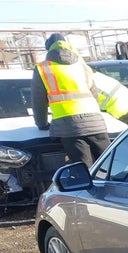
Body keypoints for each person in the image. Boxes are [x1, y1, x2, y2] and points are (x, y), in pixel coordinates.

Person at [32, 34, 109, 167]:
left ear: (49, 49)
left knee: (85, 170)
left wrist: (42, 124)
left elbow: (38, 100)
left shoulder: (43, 68)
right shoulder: (83, 65)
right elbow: (94, 93)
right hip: (96, 123)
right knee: (110, 165)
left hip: (69, 127)